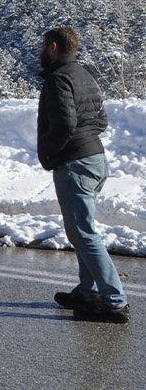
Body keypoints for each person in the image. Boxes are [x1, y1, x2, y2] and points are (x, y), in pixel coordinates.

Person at [39, 27, 129, 324]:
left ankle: (114, 300)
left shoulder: (58, 79)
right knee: (82, 229)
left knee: (83, 232)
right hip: (95, 158)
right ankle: (88, 290)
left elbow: (64, 124)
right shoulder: (84, 75)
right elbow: (100, 120)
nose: (41, 51)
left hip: (75, 163)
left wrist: (50, 153)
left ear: (53, 47)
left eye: (43, 46)